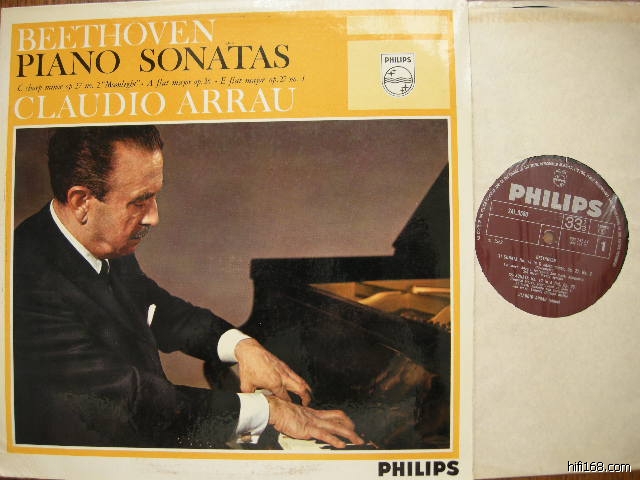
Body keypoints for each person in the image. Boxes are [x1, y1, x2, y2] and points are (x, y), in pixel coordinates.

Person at [12, 125, 363, 449]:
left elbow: (157, 308)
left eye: (155, 197)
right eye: (139, 201)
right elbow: (131, 403)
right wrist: (269, 411)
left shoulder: (100, 241)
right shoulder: (24, 280)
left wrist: (242, 346)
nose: (154, 217)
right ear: (81, 202)